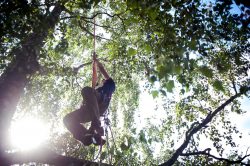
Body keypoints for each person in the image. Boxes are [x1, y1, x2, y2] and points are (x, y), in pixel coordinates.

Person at [63, 54, 115, 146]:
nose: (102, 80)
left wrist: (97, 61)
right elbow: (94, 76)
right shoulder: (96, 89)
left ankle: (96, 125)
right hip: (91, 110)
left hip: (102, 103)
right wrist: (93, 64)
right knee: (67, 119)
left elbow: (102, 70)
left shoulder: (110, 85)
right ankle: (86, 137)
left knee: (87, 90)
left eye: (103, 80)